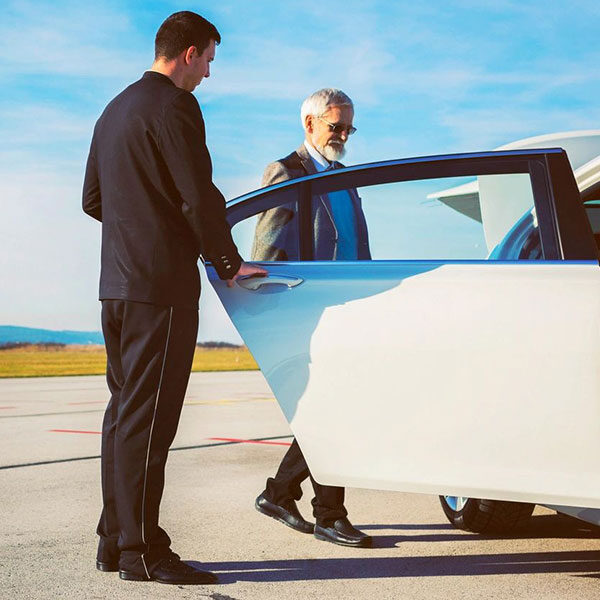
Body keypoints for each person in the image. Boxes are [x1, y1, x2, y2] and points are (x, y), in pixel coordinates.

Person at [82, 11, 266, 586]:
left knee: (123, 415)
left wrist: (138, 222)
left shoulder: (114, 110)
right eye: (209, 58)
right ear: (187, 52)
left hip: (116, 286)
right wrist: (229, 262)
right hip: (159, 289)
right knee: (151, 420)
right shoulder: (174, 106)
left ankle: (115, 538)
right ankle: (142, 549)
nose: (208, 74)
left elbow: (93, 199)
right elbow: (197, 195)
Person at [252, 88, 372, 548]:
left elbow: (356, 243)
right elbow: (266, 247)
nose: (342, 135)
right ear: (309, 124)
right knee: (330, 410)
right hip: (307, 313)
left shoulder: (346, 176)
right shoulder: (286, 172)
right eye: (334, 126)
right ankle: (327, 513)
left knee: (332, 409)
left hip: (347, 309)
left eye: (348, 127)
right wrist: (270, 313)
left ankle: (280, 494)